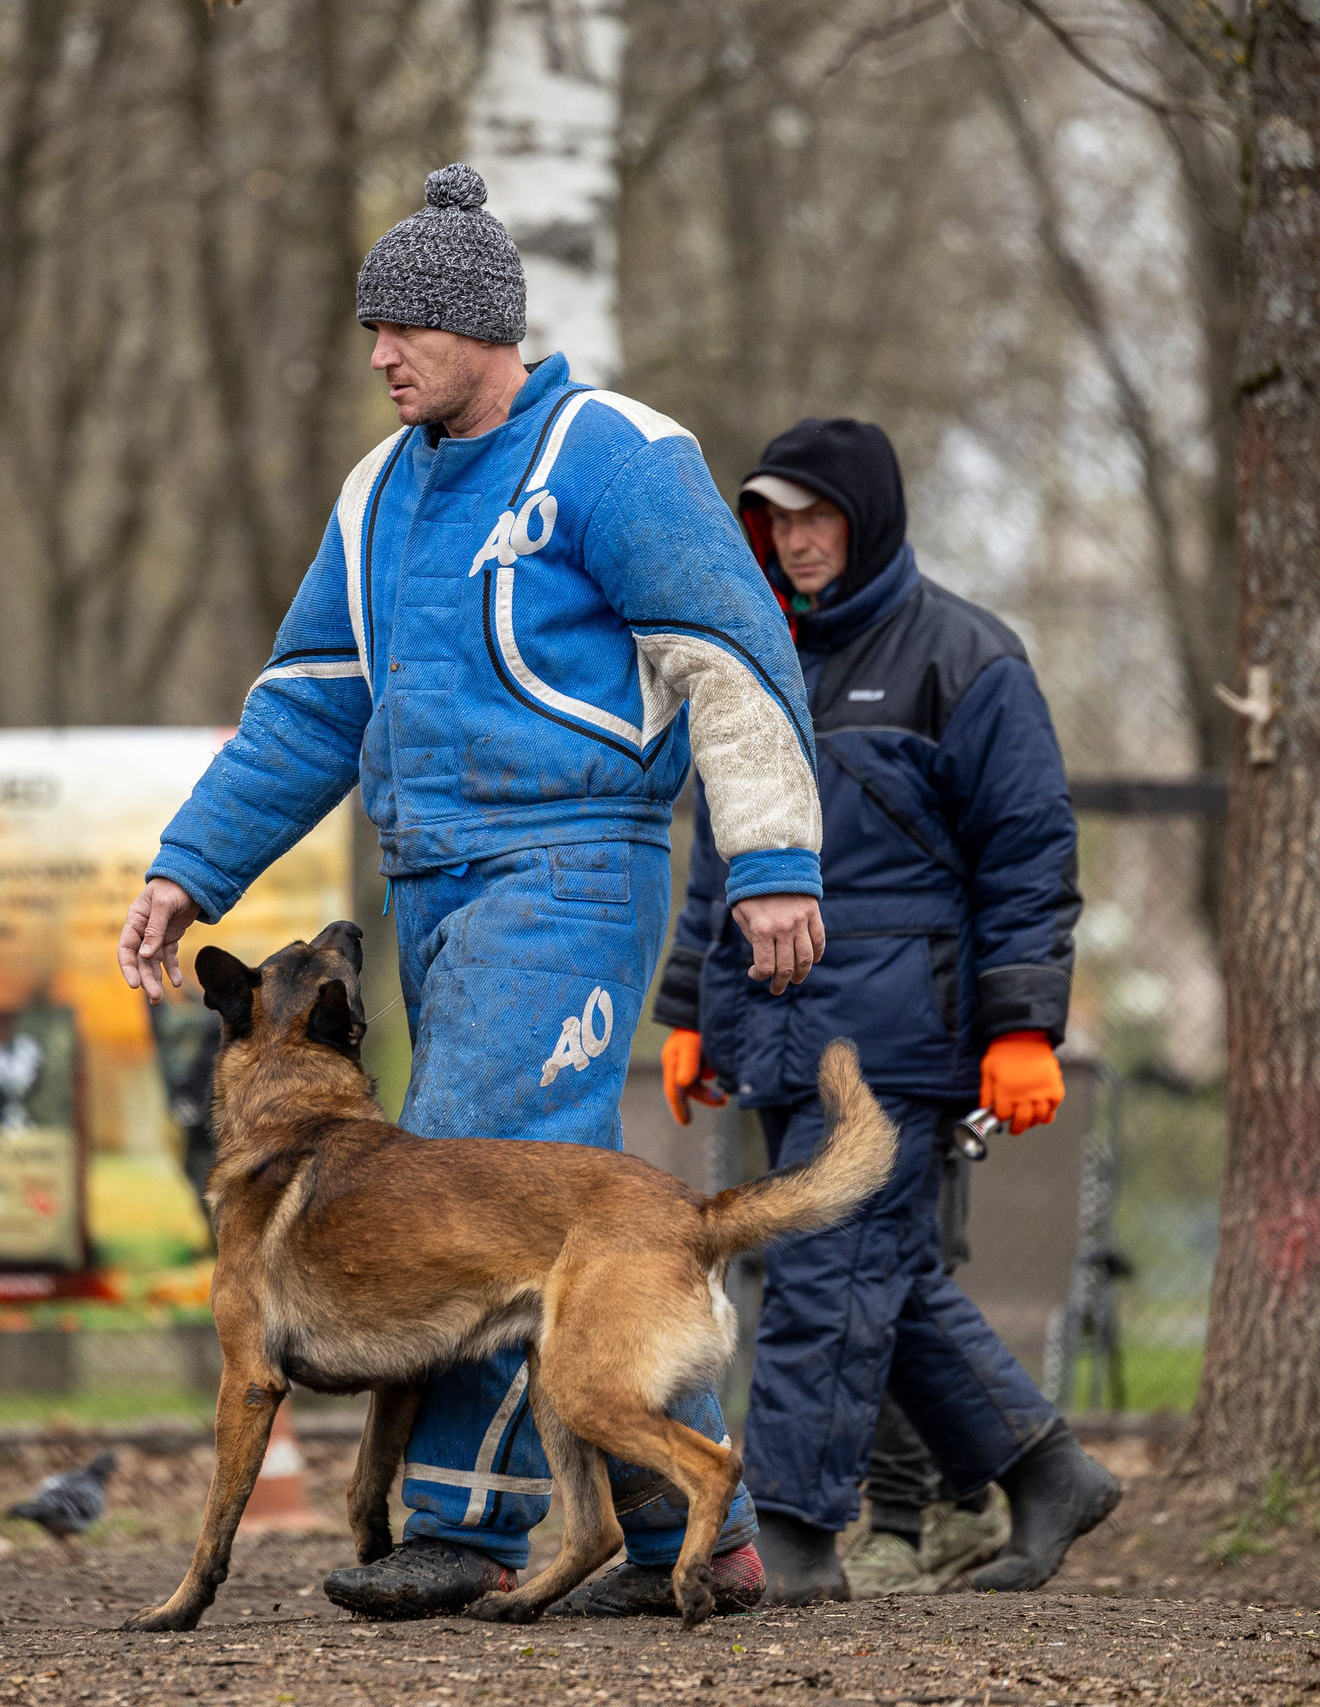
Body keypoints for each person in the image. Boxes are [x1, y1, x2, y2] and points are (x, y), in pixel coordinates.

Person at [116, 164, 828, 1620]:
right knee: (503, 1196)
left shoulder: (614, 451)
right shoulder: (377, 493)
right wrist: (190, 872)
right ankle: (698, 1527)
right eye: (371, 330)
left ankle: (462, 1522)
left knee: (472, 1165)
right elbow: (308, 707)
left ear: (484, 329)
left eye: (403, 330)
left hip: (574, 864)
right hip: (430, 880)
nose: (379, 355)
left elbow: (733, 657)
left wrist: (770, 860)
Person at [655, 416, 1117, 1602]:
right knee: (880, 1274)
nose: (795, 542)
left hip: (900, 1036)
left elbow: (1028, 853)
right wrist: (692, 1010)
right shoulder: (752, 653)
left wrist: (1022, 1028)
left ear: (867, 520)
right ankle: (1046, 1468)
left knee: (821, 1269)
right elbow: (724, 847)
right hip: (774, 1027)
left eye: (816, 517)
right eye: (775, 518)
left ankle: (800, 1534)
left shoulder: (966, 658)